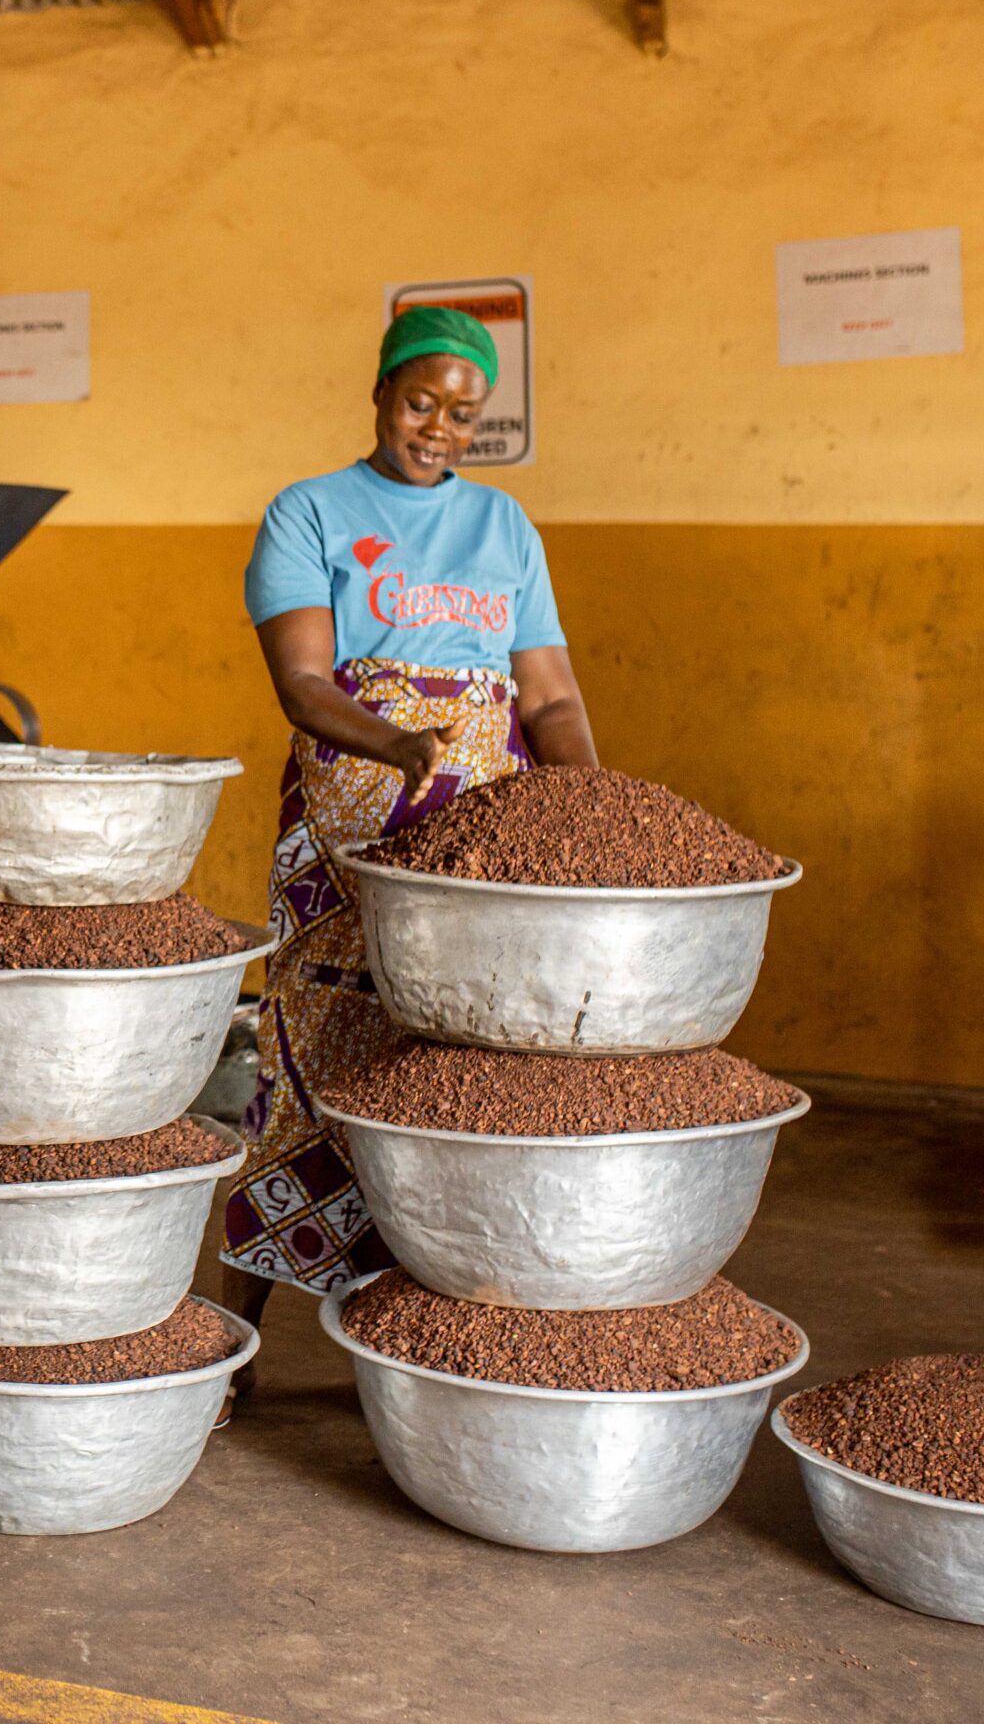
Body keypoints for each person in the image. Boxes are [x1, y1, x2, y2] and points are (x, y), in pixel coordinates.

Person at [218, 304, 598, 1309]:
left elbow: (549, 697)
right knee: (313, 1052)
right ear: (382, 391)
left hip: (476, 835)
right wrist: (400, 747)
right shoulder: (310, 512)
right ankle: (241, 1324)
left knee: (444, 1067)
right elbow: (302, 684)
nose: (437, 427)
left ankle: (417, 1320)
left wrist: (591, 811)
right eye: (420, 400)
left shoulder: (503, 526)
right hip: (349, 823)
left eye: (462, 414)